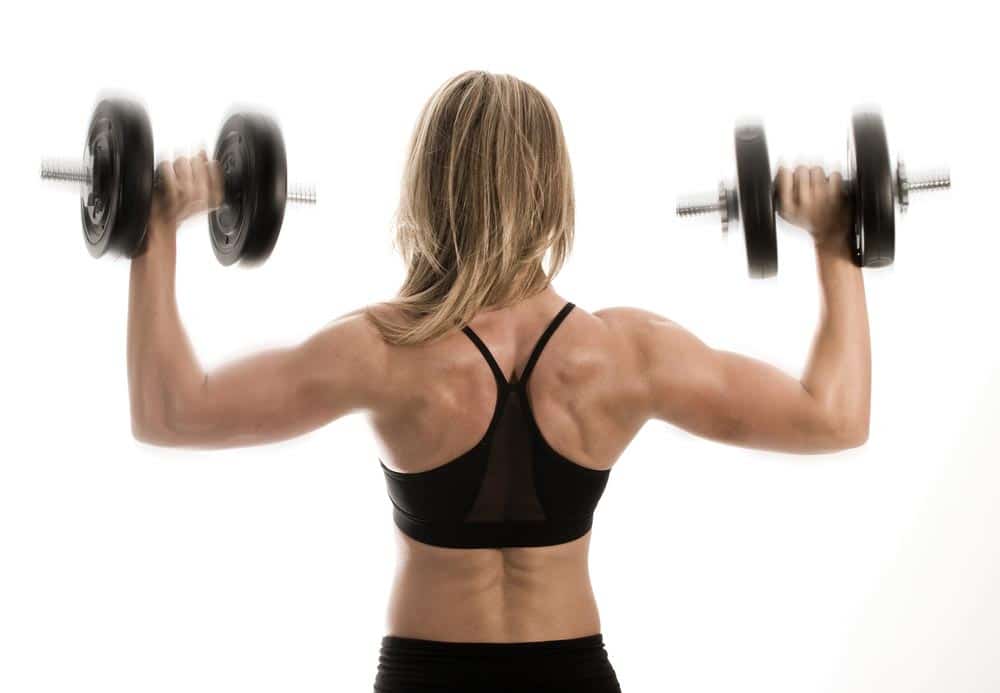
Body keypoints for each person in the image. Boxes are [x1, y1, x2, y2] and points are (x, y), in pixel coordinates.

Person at [126, 71, 870, 692]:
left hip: (427, 676)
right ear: (552, 188)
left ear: (429, 185)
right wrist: (837, 243)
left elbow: (171, 412)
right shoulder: (626, 354)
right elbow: (835, 417)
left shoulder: (383, 350)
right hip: (571, 673)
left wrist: (156, 232)